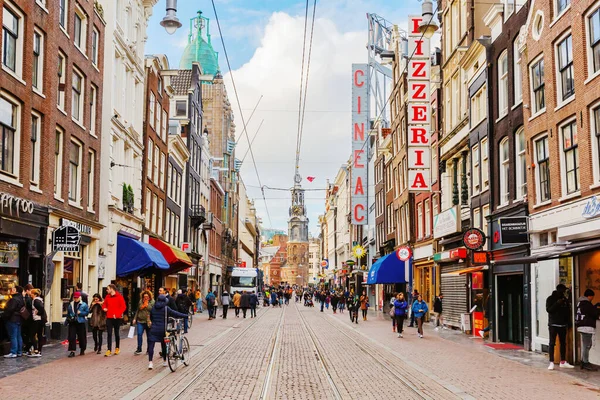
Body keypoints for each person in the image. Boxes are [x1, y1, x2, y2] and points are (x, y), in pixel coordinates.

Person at [147, 294, 188, 370]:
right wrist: (185, 316)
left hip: (153, 329)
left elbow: (152, 318)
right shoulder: (166, 308)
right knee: (164, 345)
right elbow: (175, 313)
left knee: (151, 346)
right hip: (163, 330)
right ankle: (165, 361)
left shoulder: (153, 308)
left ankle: (150, 363)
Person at [546, 284, 574, 369]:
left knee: (563, 343)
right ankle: (551, 362)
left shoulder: (564, 299)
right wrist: (557, 303)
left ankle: (563, 361)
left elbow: (568, 312)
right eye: (563, 290)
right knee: (552, 343)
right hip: (553, 324)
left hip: (562, 324)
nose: (564, 292)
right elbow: (549, 310)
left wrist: (569, 323)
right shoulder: (550, 299)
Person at [576, 289, 600, 371]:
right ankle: (585, 362)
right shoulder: (587, 304)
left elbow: (587, 312)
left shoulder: (580, 303)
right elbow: (593, 313)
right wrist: (596, 308)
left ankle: (583, 361)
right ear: (589, 296)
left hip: (581, 325)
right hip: (586, 326)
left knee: (587, 344)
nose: (592, 299)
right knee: (587, 345)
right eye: (592, 297)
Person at [103, 284, 126, 357]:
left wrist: (117, 314)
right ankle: (109, 349)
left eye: (108, 289)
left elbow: (123, 307)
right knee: (109, 333)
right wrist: (104, 308)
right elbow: (104, 305)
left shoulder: (119, 297)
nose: (107, 290)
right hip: (109, 317)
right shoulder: (107, 297)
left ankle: (117, 348)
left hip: (117, 318)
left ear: (112, 289)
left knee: (116, 333)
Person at [3, 285, 25, 358]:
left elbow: (10, 310)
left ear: (16, 290)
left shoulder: (13, 299)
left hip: (12, 319)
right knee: (18, 336)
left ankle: (13, 352)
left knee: (13, 336)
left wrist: (5, 316)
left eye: (13, 289)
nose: (11, 290)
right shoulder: (21, 298)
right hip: (19, 319)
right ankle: (19, 351)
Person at [67, 292, 89, 357]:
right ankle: (72, 351)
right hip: (72, 322)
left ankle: (82, 349)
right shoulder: (71, 304)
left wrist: (81, 313)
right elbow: (68, 313)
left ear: (80, 297)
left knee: (81, 337)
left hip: (80, 322)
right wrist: (69, 318)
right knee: (72, 336)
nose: (75, 299)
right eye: (74, 297)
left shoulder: (84, 304)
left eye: (77, 297)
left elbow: (87, 312)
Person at [133, 290, 154, 355]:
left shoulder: (152, 302)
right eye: (144, 296)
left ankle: (148, 349)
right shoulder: (140, 301)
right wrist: (134, 318)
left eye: (147, 296)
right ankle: (139, 348)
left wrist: (146, 304)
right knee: (139, 334)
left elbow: (151, 309)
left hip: (148, 321)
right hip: (140, 320)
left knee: (149, 336)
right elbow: (138, 310)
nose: (145, 298)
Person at [28, 289, 46, 357]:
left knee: (32, 334)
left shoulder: (36, 300)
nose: (31, 294)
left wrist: (38, 313)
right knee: (39, 335)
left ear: (35, 294)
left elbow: (41, 308)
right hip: (40, 320)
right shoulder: (40, 300)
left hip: (37, 320)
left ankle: (36, 350)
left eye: (32, 293)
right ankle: (39, 350)